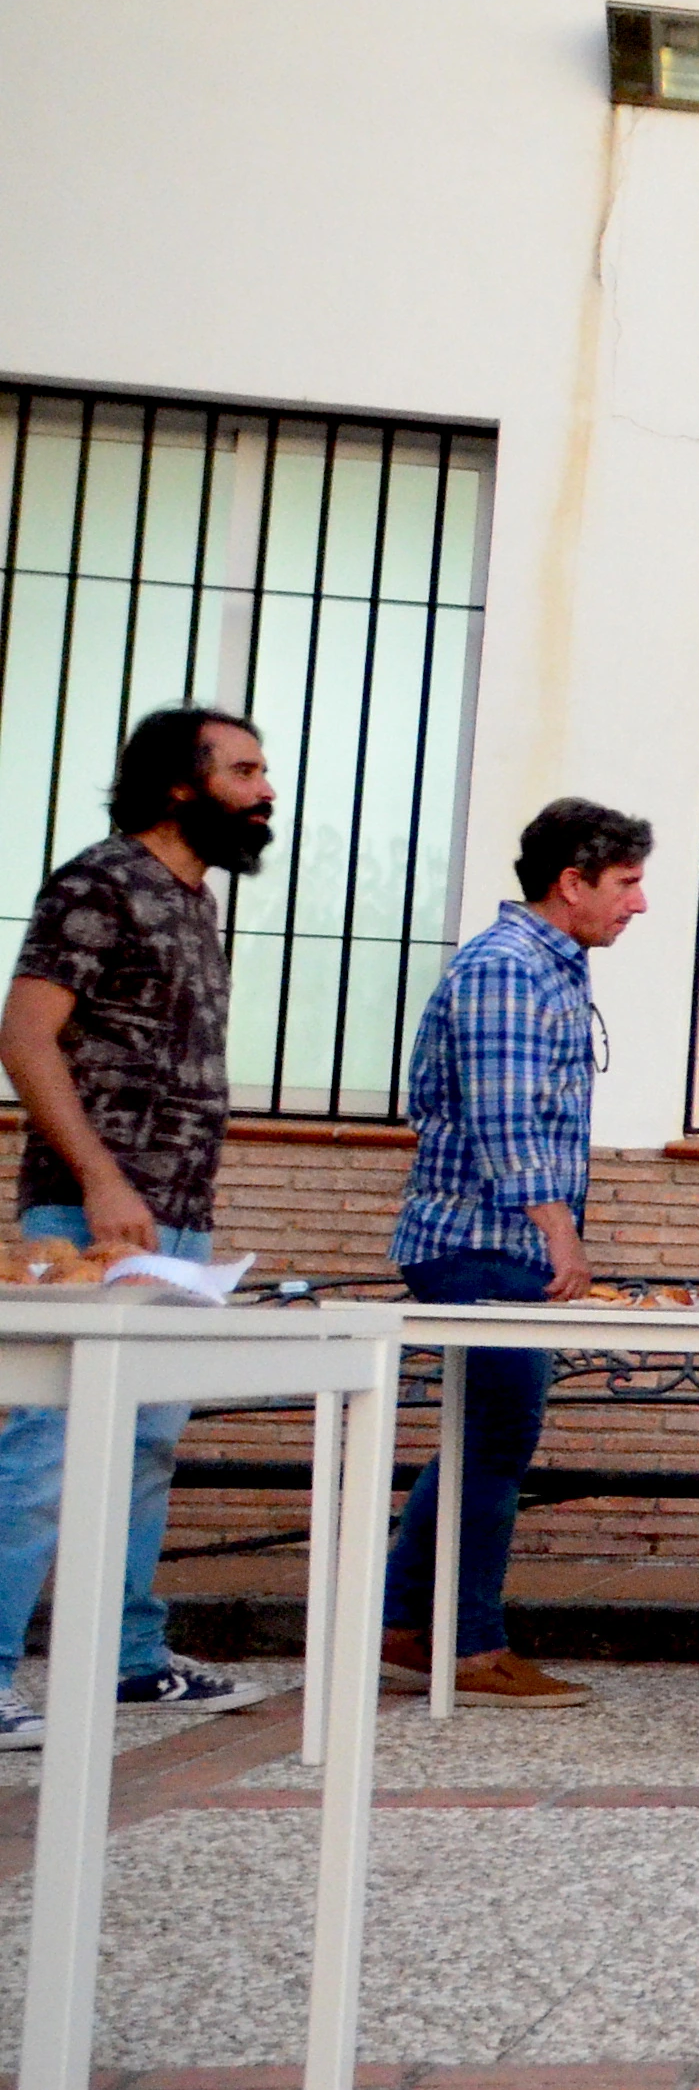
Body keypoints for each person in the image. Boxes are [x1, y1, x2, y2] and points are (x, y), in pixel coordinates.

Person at [0, 708, 286, 1748]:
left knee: (147, 1441)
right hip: (92, 1214)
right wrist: (103, 1182)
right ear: (179, 784)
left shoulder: (193, 899)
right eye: (245, 769)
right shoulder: (99, 881)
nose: (265, 789)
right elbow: (25, 1038)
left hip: (174, 1220)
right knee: (52, 1438)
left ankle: (124, 1660)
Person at [373, 796, 655, 1714]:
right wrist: (557, 1230)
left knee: (479, 1441)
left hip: (494, 1247)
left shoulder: (545, 967)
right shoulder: (507, 969)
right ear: (569, 883)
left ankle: (410, 1625)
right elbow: (503, 1116)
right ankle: (470, 1644)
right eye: (625, 883)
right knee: (496, 1443)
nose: (639, 904)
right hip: (482, 1248)